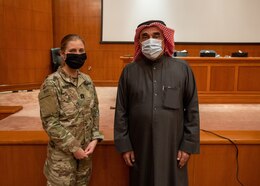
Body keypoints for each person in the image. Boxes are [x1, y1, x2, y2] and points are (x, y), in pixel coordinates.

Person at [114, 20, 200, 186]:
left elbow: (192, 110)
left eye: (156, 35)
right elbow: (121, 111)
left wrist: (188, 146)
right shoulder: (129, 71)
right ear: (139, 41)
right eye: (144, 36)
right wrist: (125, 146)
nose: (150, 40)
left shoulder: (182, 69)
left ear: (164, 39)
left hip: (173, 147)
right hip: (140, 147)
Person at [38, 34, 104, 186]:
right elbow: (50, 123)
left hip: (85, 158)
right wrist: (74, 148)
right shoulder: (52, 83)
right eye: (73, 51)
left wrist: (95, 138)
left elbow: (94, 111)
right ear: (62, 54)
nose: (78, 54)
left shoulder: (87, 81)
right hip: (62, 162)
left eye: (81, 50)